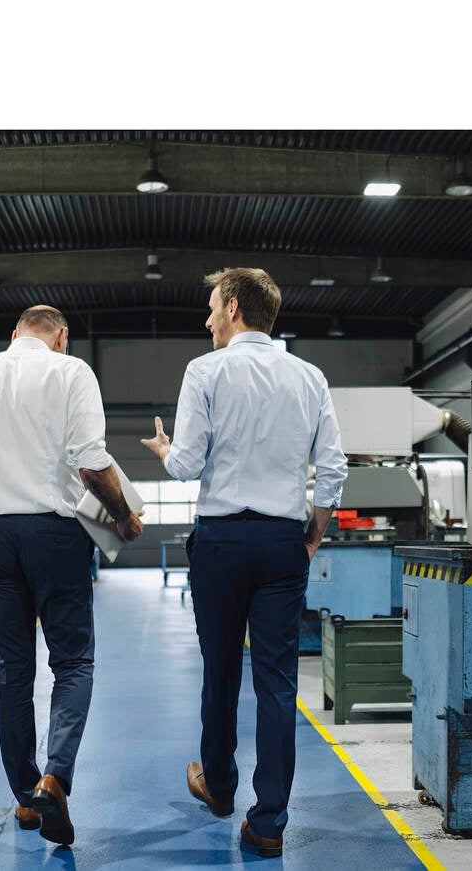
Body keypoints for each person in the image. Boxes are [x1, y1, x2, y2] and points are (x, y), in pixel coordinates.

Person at [141, 268, 347, 858]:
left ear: (233, 307)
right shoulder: (309, 377)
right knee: (278, 684)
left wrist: (164, 450)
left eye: (211, 309)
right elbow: (332, 469)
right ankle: (269, 823)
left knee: (221, 670)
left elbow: (185, 465)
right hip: (283, 541)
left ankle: (221, 787)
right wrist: (311, 537)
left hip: (223, 543)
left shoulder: (206, 371)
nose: (207, 320)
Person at [0, 305, 143, 847]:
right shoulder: (70, 372)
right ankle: (56, 776)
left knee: (11, 669)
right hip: (56, 535)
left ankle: (27, 799)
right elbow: (91, 462)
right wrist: (121, 515)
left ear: (14, 335)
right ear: (61, 338)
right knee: (73, 659)